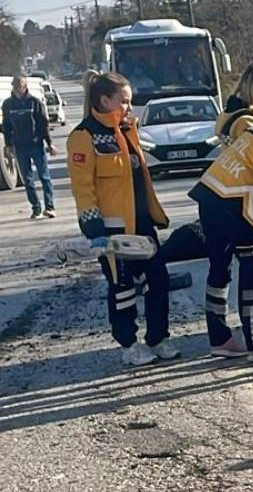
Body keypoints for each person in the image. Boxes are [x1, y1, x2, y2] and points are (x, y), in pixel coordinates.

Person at [68, 71, 177, 367]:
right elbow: (83, 187)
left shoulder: (128, 129)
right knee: (123, 287)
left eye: (130, 102)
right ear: (104, 100)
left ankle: (158, 338)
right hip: (112, 229)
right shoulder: (84, 136)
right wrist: (93, 229)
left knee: (158, 281)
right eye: (124, 101)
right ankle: (129, 344)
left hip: (143, 223)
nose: (129, 107)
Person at [189, 63, 253, 359]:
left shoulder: (230, 116)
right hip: (238, 198)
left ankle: (219, 336)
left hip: (213, 190)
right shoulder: (250, 122)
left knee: (220, 269)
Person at [2, 75, 58, 219]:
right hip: (20, 147)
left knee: (44, 177)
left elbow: (43, 124)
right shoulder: (7, 105)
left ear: (25, 86)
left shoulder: (34, 103)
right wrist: (8, 145)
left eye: (21, 85)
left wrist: (49, 143)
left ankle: (50, 207)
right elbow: (6, 126)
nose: (18, 88)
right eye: (15, 85)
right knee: (27, 180)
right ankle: (36, 207)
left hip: (36, 144)